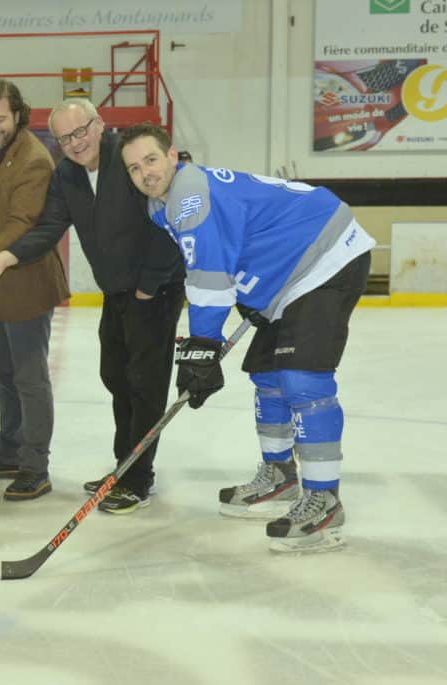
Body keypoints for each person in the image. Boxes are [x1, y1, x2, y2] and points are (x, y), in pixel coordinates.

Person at [118, 122, 375, 552]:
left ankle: (325, 498)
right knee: (267, 375)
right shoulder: (160, 207)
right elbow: (225, 250)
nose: (145, 173)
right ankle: (280, 476)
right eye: (133, 168)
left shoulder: (188, 195)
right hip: (285, 276)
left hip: (325, 255)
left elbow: (210, 274)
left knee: (301, 379)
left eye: (151, 159)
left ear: (173, 156)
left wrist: (203, 347)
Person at [0, 98, 185, 513]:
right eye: (65, 137)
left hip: (154, 292)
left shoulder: (129, 161)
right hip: (117, 293)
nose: (75, 142)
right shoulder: (68, 174)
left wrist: (149, 285)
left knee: (145, 383)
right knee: (116, 377)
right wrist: (5, 257)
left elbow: (167, 220)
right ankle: (126, 465)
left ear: (100, 125)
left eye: (81, 131)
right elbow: (49, 226)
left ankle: (138, 478)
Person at [0, 78, 69, 501]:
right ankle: (9, 452)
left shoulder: (33, 159)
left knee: (29, 378)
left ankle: (35, 466)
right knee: (3, 375)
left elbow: (21, 222)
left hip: (23, 283)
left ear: (18, 115)